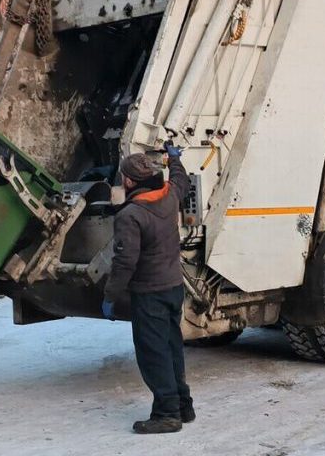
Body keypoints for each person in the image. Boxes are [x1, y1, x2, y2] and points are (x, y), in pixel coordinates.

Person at [102, 142, 194, 434]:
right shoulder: (169, 196)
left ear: (129, 181)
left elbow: (124, 262)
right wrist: (175, 158)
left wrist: (110, 296)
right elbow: (182, 180)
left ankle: (167, 414)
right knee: (171, 346)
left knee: (153, 353)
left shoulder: (130, 215)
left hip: (150, 293)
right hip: (174, 287)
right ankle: (183, 404)